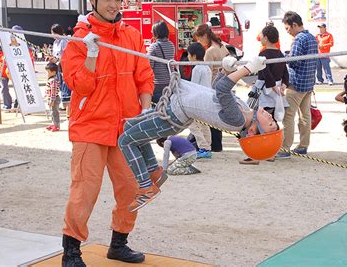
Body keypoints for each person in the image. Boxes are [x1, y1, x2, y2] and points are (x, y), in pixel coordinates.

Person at [60, 0, 154, 265]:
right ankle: (72, 251)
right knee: (85, 191)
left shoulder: (131, 36)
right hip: (90, 127)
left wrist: (147, 109)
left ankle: (119, 242)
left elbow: (144, 75)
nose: (114, 4)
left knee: (134, 188)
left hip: (126, 128)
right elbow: (80, 85)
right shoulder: (78, 40)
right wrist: (89, 56)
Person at [118, 55, 278, 211]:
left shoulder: (237, 119)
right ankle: (154, 171)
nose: (271, 117)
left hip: (173, 116)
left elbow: (223, 89)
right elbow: (217, 91)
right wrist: (226, 71)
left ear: (252, 132)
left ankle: (146, 187)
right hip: (175, 111)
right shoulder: (243, 109)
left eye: (270, 124)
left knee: (125, 141)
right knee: (130, 129)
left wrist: (248, 69)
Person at [240, 25, 289, 165]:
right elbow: (285, 72)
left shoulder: (263, 54)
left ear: (266, 38)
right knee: (271, 121)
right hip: (277, 91)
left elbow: (264, 73)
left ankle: (257, 153)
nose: (260, 38)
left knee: (258, 120)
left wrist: (273, 86)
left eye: (261, 35)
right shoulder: (280, 54)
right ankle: (271, 151)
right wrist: (283, 85)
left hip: (266, 91)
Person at [276, 11, 318, 159]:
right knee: (305, 116)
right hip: (308, 83)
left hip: (296, 84)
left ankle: (285, 148)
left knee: (288, 116)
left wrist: (284, 57)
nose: (288, 32)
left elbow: (296, 61)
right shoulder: (312, 37)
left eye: (288, 28)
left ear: (294, 25)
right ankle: (303, 145)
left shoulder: (299, 39)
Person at [194, 23, 229, 152]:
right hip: (223, 84)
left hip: (212, 86)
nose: (198, 41)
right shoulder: (221, 46)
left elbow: (207, 71)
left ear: (204, 36)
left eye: (199, 37)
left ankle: (212, 145)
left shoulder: (209, 51)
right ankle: (217, 145)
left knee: (209, 118)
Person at [187, 42, 213, 159]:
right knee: (204, 125)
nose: (187, 57)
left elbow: (194, 86)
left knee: (193, 125)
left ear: (193, 56)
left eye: (188, 55)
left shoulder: (197, 69)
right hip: (207, 100)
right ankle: (208, 147)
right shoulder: (206, 67)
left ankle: (203, 147)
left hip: (198, 101)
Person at [148, 21, 175, 103]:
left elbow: (149, 66)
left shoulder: (154, 46)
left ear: (156, 32)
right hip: (170, 81)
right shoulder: (171, 45)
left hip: (158, 83)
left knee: (158, 105)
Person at [50, 24, 71, 118]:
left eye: (53, 32)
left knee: (65, 85)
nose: (52, 34)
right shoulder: (55, 42)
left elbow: (66, 54)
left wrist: (58, 59)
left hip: (64, 66)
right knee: (59, 84)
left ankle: (68, 108)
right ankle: (64, 104)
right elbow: (56, 54)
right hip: (58, 66)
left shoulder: (64, 41)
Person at [0, 45, 14, 110]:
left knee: (19, 88)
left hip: (12, 72)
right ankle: (7, 105)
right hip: (2, 72)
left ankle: (18, 104)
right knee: (4, 88)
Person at [44, 62, 61, 132]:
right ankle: (53, 124)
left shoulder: (53, 80)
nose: (47, 74)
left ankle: (56, 125)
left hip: (54, 99)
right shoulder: (51, 79)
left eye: (48, 72)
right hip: (51, 98)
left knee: (55, 112)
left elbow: (53, 91)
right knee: (52, 112)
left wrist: (52, 100)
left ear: (54, 72)